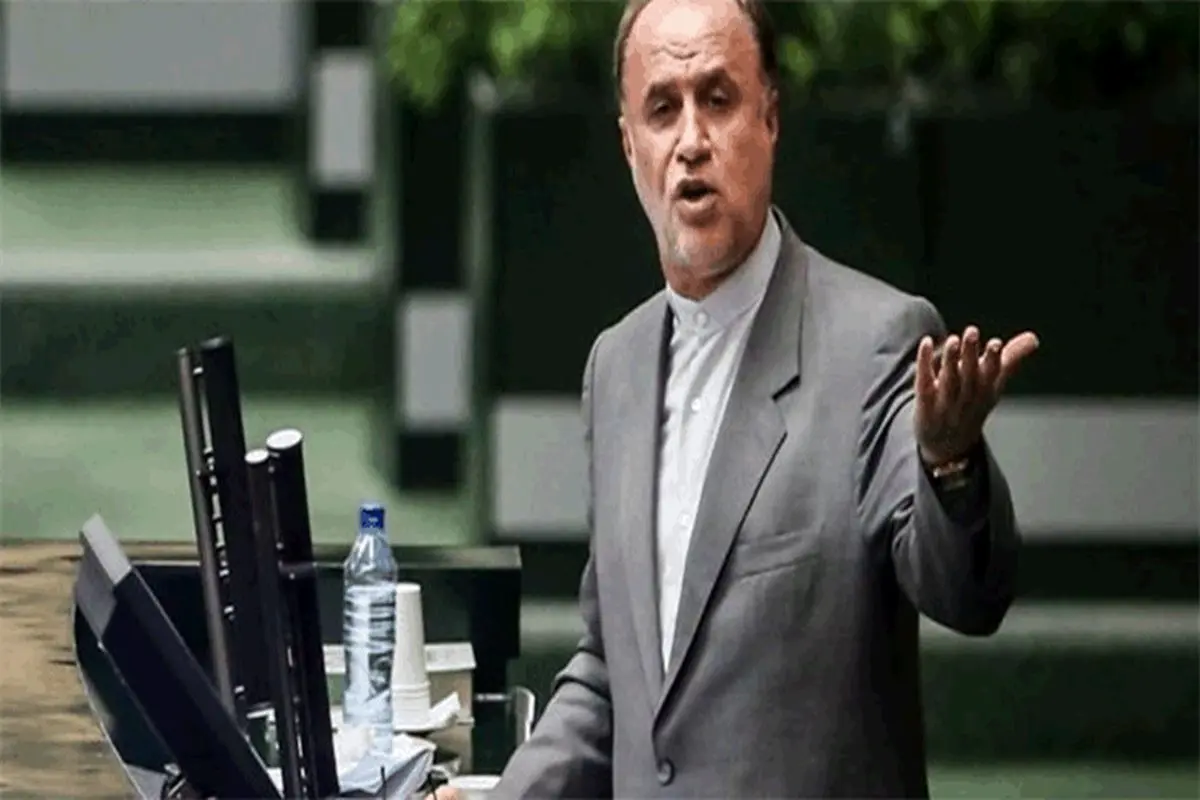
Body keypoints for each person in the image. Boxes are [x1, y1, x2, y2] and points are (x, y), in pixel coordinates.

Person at [438, 0, 1037, 796]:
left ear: (770, 119)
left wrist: (950, 463)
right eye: (662, 109)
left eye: (718, 100)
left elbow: (965, 595)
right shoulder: (615, 367)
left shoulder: (875, 343)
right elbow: (616, 673)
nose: (691, 141)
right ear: (629, 145)